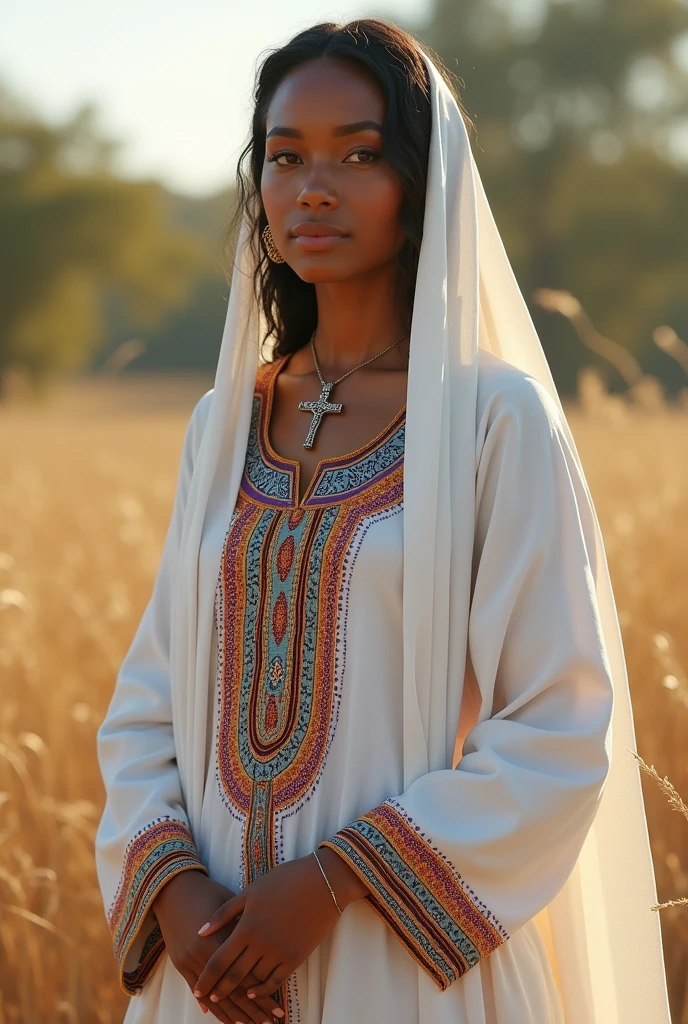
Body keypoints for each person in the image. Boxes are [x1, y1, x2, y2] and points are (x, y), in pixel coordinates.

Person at [95, 18, 671, 1024]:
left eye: (358, 154)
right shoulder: (223, 426)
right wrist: (183, 903)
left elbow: (557, 724)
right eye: (285, 158)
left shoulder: (494, 421)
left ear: (420, 183)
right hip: (215, 971)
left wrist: (328, 884)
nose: (314, 186)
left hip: (401, 964)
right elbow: (150, 700)